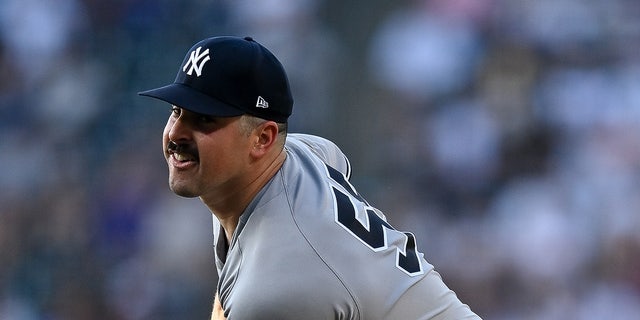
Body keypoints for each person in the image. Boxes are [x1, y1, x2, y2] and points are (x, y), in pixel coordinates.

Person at [139, 36, 481, 320]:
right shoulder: (292, 157)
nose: (176, 133)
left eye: (204, 120)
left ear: (263, 139)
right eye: (176, 111)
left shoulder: (275, 290)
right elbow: (332, 156)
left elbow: (271, 283)